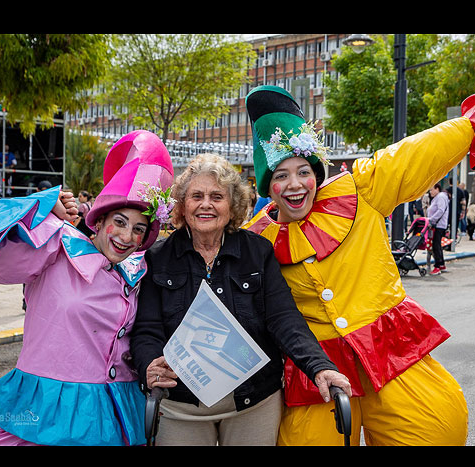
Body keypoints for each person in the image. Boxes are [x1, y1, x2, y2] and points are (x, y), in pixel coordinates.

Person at [243, 83, 475, 446]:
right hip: (318, 370)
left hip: (388, 350)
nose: (295, 184)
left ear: (316, 172)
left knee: (435, 427)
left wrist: (472, 122)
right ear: (267, 185)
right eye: (280, 175)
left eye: (303, 171)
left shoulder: (359, 189)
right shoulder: (254, 240)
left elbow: (416, 153)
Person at [0, 130, 175, 446]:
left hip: (115, 415)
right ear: (98, 220)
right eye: (120, 222)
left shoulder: (137, 272)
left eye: (138, 229)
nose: (127, 236)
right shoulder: (57, 246)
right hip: (45, 413)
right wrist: (40, 204)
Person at [130, 153, 351, 446]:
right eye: (196, 196)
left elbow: (284, 318)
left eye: (217, 196)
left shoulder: (257, 252)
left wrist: (320, 367)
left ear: (232, 206)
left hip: (253, 401)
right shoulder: (158, 257)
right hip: (181, 402)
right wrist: (150, 365)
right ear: (183, 205)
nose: (206, 204)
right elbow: (147, 328)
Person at [428, 183, 450, 275]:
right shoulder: (439, 197)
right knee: (437, 245)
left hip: (438, 225)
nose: (430, 192)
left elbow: (440, 210)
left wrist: (432, 220)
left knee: (436, 246)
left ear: (437, 189)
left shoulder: (440, 197)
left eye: (431, 190)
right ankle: (441, 264)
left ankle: (437, 267)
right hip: (438, 224)